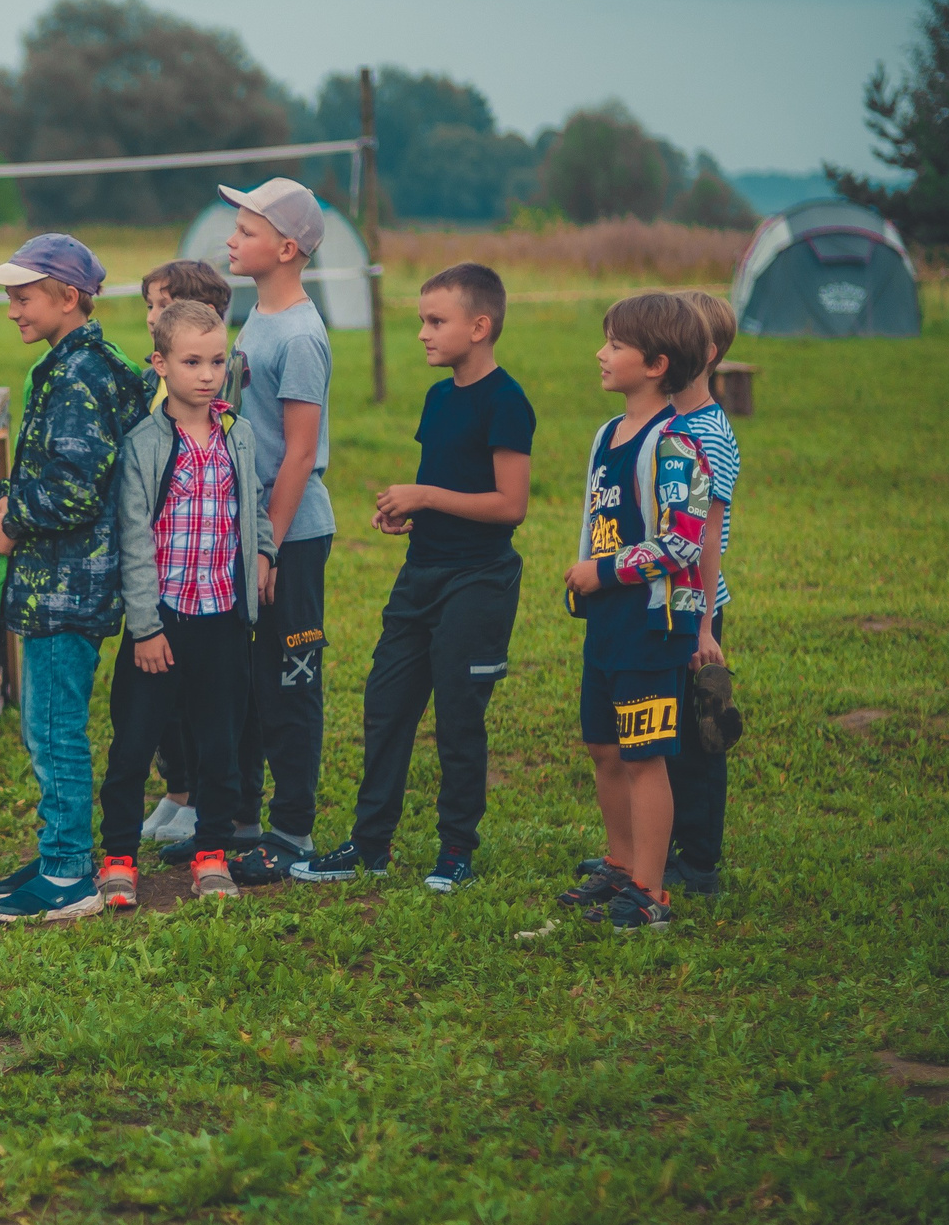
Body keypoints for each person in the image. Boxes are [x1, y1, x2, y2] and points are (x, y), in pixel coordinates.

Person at [295, 264, 534, 892]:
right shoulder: (438, 398)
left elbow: (510, 506)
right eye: (421, 321)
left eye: (436, 322)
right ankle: (369, 845)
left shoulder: (508, 402)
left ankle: (456, 849)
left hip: (478, 583)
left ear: (479, 327)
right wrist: (409, 514)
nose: (423, 334)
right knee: (386, 706)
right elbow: (451, 485)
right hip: (420, 576)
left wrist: (425, 495)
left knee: (459, 718)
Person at [0, 234, 152, 920]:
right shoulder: (74, 364)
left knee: (55, 728)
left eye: (24, 296)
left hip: (67, 588)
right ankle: (60, 849)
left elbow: (74, 491)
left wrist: (9, 521)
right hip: (59, 584)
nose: (13, 310)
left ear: (66, 297)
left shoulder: (80, 376)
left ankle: (70, 872)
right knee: (48, 726)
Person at [86, 300, 276, 909]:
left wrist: (264, 554)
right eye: (192, 361)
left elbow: (255, 507)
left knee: (221, 745)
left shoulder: (237, 436)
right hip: (161, 622)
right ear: (160, 363)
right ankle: (118, 858)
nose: (206, 373)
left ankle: (211, 853)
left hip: (222, 620)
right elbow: (133, 538)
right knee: (135, 746)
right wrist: (143, 628)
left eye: (217, 361)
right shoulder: (144, 443)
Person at [557, 294, 714, 933]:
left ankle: (653, 892)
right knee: (604, 745)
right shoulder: (606, 434)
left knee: (644, 752)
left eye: (615, 345)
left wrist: (606, 571)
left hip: (653, 625)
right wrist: (583, 577)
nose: (601, 353)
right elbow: (599, 517)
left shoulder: (675, 446)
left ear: (655, 363)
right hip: (608, 623)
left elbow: (683, 541)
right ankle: (622, 866)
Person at [212, 178, 337, 886]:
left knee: (291, 682)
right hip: (249, 529)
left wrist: (267, 544)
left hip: (289, 534)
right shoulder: (258, 316)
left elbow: (296, 450)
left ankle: (292, 833)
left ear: (286, 248)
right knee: (249, 683)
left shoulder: (299, 334)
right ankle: (243, 823)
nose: (232, 240)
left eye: (246, 229)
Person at [125, 258, 238, 850]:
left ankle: (198, 802)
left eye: (159, 306)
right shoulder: (153, 419)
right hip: (165, 587)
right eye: (150, 308)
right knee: (159, 711)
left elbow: (250, 490)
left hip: (212, 591)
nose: (150, 318)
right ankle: (177, 793)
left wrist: (262, 553)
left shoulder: (225, 414)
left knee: (207, 711)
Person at [665, 290, 742, 895]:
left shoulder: (707, 433)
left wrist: (704, 628)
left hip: (696, 608)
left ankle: (698, 863)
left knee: (698, 741)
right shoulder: (674, 425)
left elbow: (708, 536)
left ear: (704, 352)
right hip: (668, 602)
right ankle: (655, 846)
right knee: (664, 735)